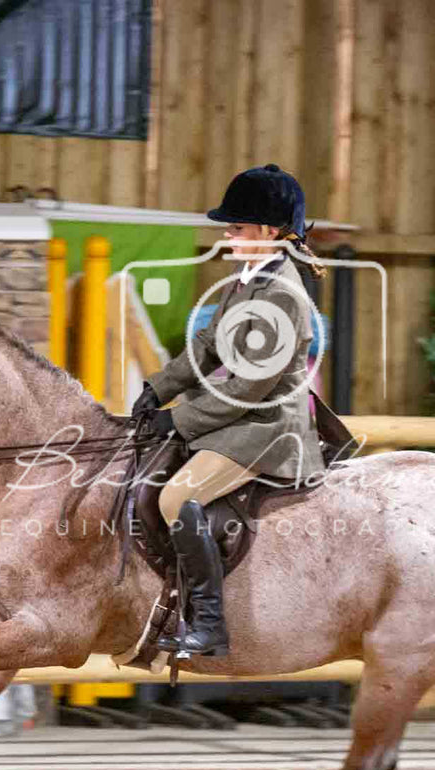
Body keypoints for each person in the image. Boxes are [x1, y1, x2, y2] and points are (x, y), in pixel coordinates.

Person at [131, 163, 327, 658]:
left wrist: (178, 418)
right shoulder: (247, 280)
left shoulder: (283, 293)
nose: (227, 234)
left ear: (268, 232)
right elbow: (209, 343)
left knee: (176, 497)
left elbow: (250, 386)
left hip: (267, 427)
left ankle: (210, 625)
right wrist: (158, 387)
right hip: (239, 416)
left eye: (236, 227)